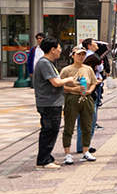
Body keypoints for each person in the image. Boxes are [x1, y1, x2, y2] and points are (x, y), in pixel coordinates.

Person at [32, 37, 77, 169]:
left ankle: (47, 158)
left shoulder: (48, 63)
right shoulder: (44, 63)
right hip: (48, 103)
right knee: (49, 130)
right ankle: (43, 161)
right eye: (58, 48)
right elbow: (55, 82)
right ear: (52, 49)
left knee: (52, 130)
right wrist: (68, 79)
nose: (60, 50)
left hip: (52, 102)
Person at [60, 46, 98, 163]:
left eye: (83, 54)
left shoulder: (88, 69)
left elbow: (93, 82)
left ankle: (85, 151)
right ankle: (67, 153)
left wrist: (90, 90)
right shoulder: (66, 70)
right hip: (72, 99)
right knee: (69, 127)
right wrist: (75, 89)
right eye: (78, 54)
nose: (81, 57)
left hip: (86, 98)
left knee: (87, 126)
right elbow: (60, 86)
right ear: (72, 55)